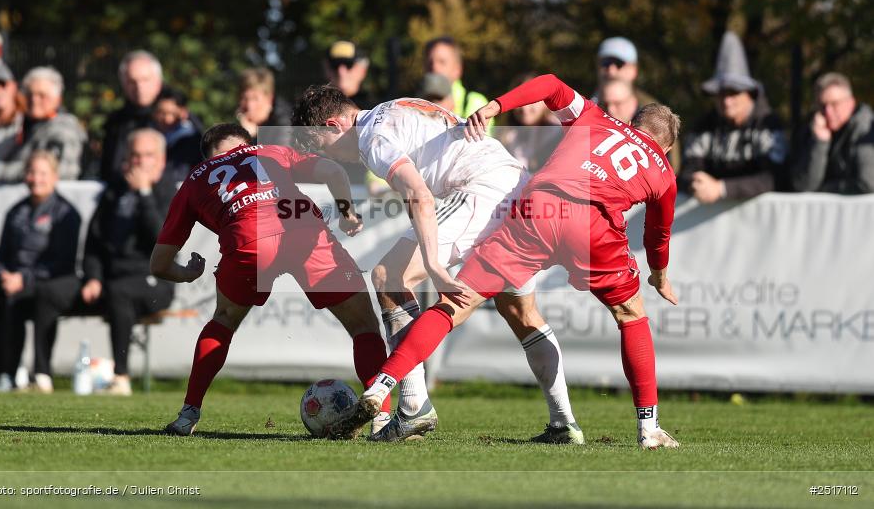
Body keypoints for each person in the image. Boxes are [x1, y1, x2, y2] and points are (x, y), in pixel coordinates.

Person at [334, 75, 683, 450]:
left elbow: (550, 84)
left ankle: (386, 384)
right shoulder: (664, 172)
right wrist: (659, 276)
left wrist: (497, 105)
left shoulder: (596, 117)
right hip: (587, 225)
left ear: (632, 123)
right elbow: (657, 234)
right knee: (628, 316)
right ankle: (645, 428)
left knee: (455, 301)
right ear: (665, 148)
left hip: (537, 208)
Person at [293, 85, 583, 444]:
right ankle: (564, 423)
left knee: (389, 276)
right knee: (520, 311)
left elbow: (419, 193)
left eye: (324, 146)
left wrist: (433, 264)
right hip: (514, 185)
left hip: (483, 190)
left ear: (333, 125)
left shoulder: (372, 137)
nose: (332, 156)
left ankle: (413, 407)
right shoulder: (391, 107)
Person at [149, 123, 391, 437]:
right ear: (246, 143)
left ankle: (188, 414)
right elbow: (333, 171)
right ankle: (382, 418)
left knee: (223, 320)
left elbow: (159, 264)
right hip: (303, 229)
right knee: (364, 325)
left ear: (208, 156)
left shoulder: (195, 178)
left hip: (249, 241)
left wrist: (186, 273)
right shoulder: (270, 150)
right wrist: (346, 213)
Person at [0, 151, 81, 392]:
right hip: (10, 280)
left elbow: (61, 261)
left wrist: (23, 278)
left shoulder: (66, 213)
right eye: (31, 172)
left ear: (54, 177)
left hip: (47, 282)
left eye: (42, 173)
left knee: (24, 300)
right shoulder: (16, 211)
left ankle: (29, 374)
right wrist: (3, 274)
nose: (36, 179)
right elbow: (2, 254)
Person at [82, 129, 176, 395]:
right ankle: (34, 376)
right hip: (111, 279)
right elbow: (94, 241)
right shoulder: (115, 191)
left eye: (148, 155)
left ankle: (120, 376)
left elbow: (163, 239)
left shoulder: (169, 192)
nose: (140, 161)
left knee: (119, 293)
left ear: (161, 160)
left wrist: (144, 194)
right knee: (50, 292)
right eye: (135, 155)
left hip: (155, 280)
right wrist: (93, 277)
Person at [678, 31, 787, 203]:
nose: (727, 101)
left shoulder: (768, 124)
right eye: (721, 94)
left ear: (750, 94)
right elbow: (685, 172)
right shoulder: (704, 125)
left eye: (734, 93)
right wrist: (696, 184)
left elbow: (776, 178)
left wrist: (722, 189)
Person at [0, 67, 86, 182]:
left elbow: (60, 172)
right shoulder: (28, 124)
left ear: (58, 99)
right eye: (30, 95)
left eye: (42, 95)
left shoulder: (63, 129)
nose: (34, 100)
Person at [791, 73, 874, 194]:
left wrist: (824, 189)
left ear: (851, 103)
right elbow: (803, 186)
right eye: (822, 105)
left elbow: (868, 184)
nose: (828, 111)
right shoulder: (812, 128)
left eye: (835, 104)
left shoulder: (865, 129)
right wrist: (820, 143)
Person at [100, 50, 165, 182]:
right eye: (132, 81)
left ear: (158, 82)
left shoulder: (176, 119)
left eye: (145, 80)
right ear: (123, 84)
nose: (139, 87)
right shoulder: (115, 122)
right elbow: (110, 167)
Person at [494, 74, 563, 172]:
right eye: (518, 101)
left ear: (546, 101)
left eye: (531, 101)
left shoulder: (560, 133)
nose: (524, 108)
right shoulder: (507, 135)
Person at [424, 36, 488, 120]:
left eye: (442, 62)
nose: (434, 67)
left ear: (457, 69)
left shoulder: (477, 103)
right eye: (430, 62)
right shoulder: (413, 105)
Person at [151, 86, 203, 182]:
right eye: (161, 113)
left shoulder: (193, 142)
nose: (167, 119)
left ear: (184, 113)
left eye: (172, 113)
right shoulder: (146, 134)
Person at [236, 67, 292, 147]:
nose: (249, 105)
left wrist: (254, 136)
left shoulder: (285, 123)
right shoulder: (242, 119)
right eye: (244, 98)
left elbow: (280, 153)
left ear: (269, 99)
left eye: (255, 98)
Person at [593, 37, 657, 106]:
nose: (611, 71)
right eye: (605, 63)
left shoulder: (654, 110)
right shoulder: (585, 108)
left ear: (633, 70)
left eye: (619, 63)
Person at [325, 40, 374, 110]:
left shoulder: (378, 110)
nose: (341, 72)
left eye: (349, 65)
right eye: (335, 65)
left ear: (363, 70)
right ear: (326, 69)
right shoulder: (315, 107)